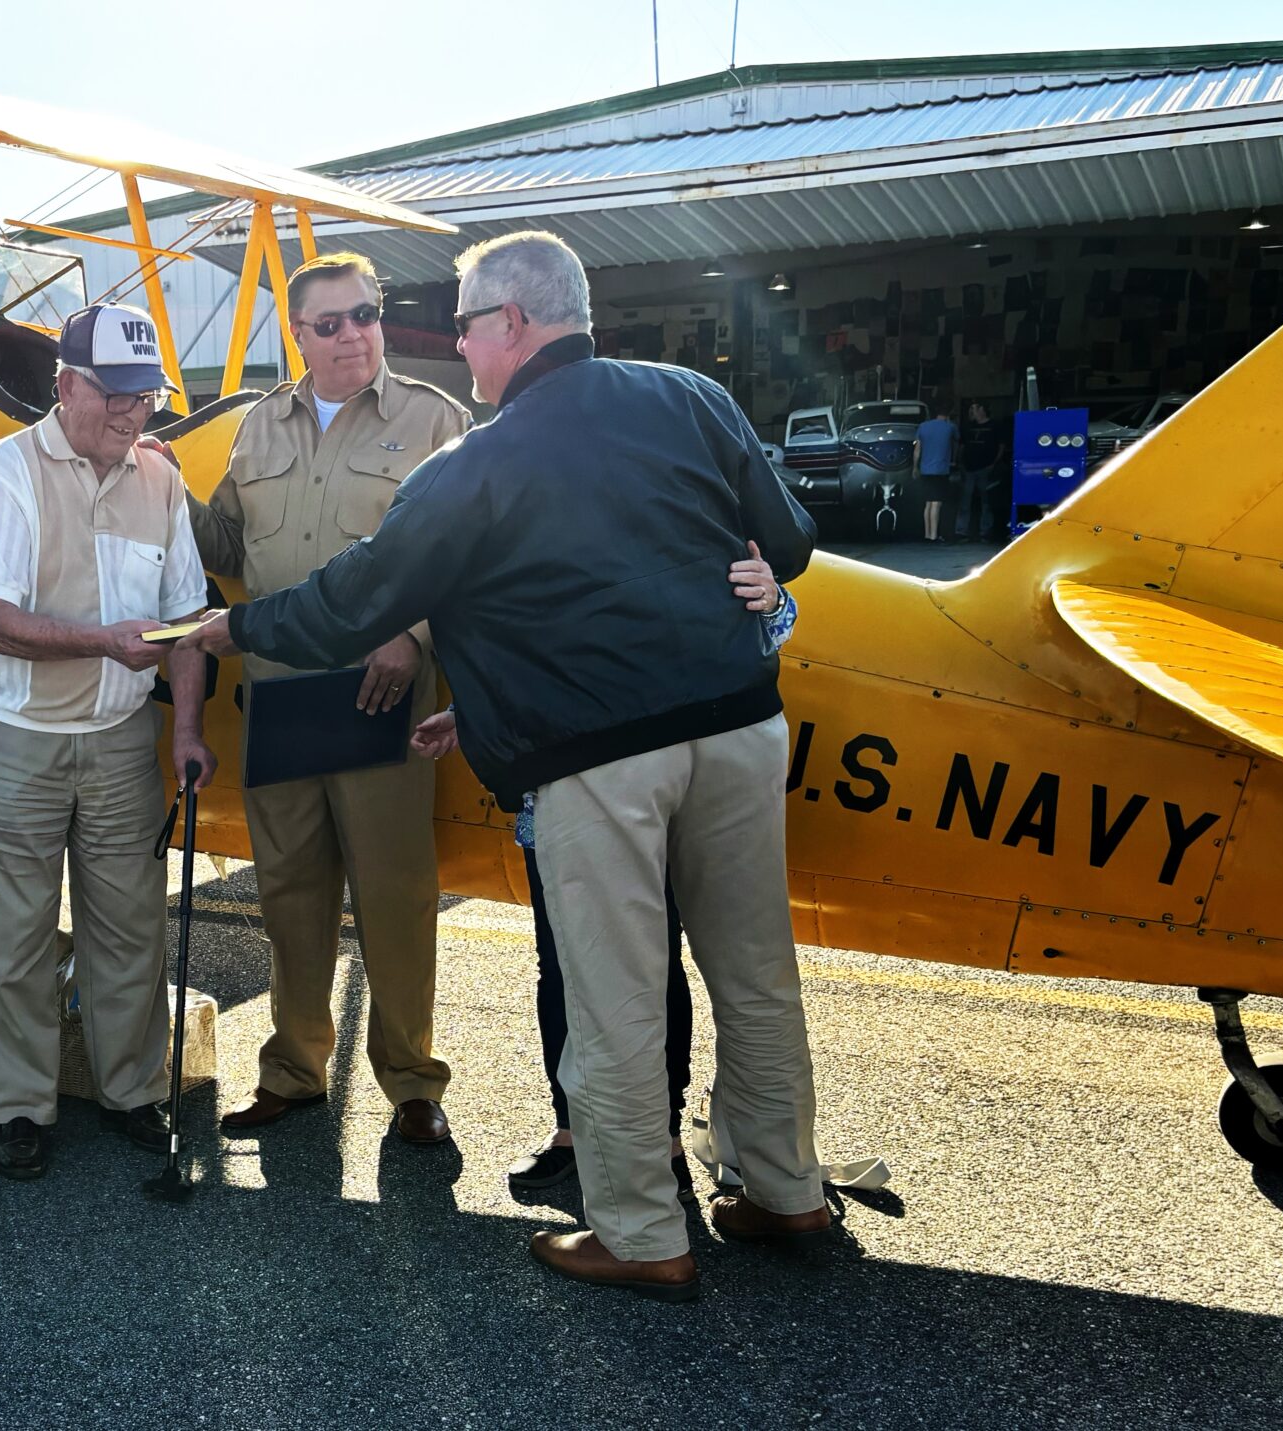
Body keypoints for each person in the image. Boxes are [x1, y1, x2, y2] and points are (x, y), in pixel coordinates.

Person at [182, 231, 826, 1301]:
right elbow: (790, 541)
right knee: (753, 970)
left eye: (469, 328)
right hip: (741, 726)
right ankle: (784, 1186)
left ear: (512, 325)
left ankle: (635, 1230)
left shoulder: (473, 459)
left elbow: (357, 598)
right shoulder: (689, 397)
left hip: (600, 757)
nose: (464, 351)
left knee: (614, 994)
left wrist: (231, 626)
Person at [187, 252, 468, 1145]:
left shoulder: (435, 419)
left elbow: (467, 550)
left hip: (378, 690)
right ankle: (295, 1070)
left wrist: (412, 634)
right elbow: (228, 544)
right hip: (279, 690)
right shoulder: (261, 426)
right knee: (291, 897)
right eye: (331, 322)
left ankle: (413, 1084)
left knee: (393, 899)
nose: (354, 334)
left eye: (367, 314)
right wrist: (159, 480)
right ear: (298, 335)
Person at [0, 303, 215, 1180]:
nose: (134, 413)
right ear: (66, 385)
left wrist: (184, 727)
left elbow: (184, 618)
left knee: (130, 925)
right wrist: (105, 641)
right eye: (116, 394)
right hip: (15, 739)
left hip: (115, 741)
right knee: (12, 934)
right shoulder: (9, 468)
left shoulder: (161, 478)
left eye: (148, 396)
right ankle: (19, 1106)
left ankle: (134, 1089)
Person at [481, 556, 797, 1194]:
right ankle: (575, 1133)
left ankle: (660, 1146)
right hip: (567, 783)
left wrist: (771, 599)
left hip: (629, 787)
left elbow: (774, 617)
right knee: (561, 965)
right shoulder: (556, 519)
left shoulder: (674, 514)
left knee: (645, 966)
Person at [957, 399, 1008, 543]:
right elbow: (962, 445)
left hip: (986, 468)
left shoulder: (995, 425)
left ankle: (985, 532)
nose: (971, 412)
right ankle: (961, 532)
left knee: (986, 502)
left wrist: (994, 464)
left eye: (974, 409)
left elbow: (1001, 446)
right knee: (965, 502)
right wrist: (960, 463)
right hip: (968, 468)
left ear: (982, 410)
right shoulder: (967, 427)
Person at [913, 403, 958, 543]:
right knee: (937, 503)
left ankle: (927, 534)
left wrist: (915, 467)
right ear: (948, 413)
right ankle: (934, 535)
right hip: (941, 469)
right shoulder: (950, 427)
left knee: (928, 503)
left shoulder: (923, 426)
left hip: (926, 469)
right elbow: (956, 443)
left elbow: (917, 450)